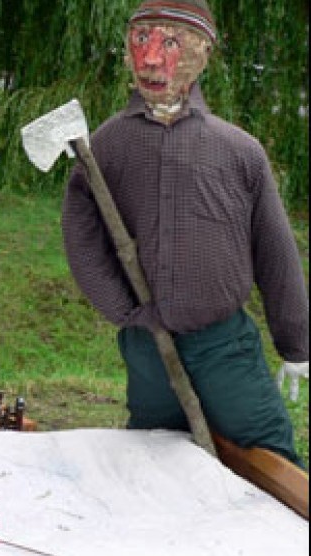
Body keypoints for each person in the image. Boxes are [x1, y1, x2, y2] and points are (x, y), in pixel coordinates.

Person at [61, 0, 308, 468]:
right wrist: (126, 311)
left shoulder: (238, 151)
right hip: (147, 342)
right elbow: (82, 234)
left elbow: (275, 250)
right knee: (153, 451)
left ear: (202, 53)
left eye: (169, 43)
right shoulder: (107, 147)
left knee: (268, 452)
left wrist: (296, 342)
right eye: (140, 40)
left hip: (224, 344)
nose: (151, 58)